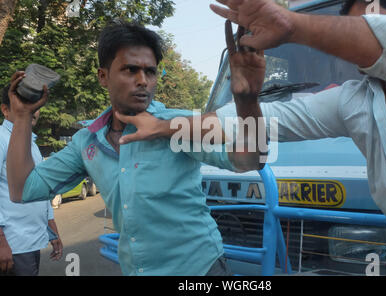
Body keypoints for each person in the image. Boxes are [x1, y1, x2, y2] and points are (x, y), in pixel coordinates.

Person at [116, 0, 386, 276]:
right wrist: (241, 100)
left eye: (359, 30)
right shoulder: (356, 101)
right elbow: (269, 121)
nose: (347, 49)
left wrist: (294, 26)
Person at [5, 20, 266, 276]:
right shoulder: (88, 141)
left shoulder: (177, 123)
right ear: (103, 76)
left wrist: (247, 99)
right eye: (130, 70)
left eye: (150, 71)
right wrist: (22, 117)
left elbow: (252, 159)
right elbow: (22, 189)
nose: (143, 80)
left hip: (201, 269)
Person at [0, 85, 63, 276]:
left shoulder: (31, 144)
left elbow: (39, 191)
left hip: (31, 242)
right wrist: (1, 242)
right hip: (13, 245)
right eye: (23, 103)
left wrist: (52, 230)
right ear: (5, 109)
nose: (32, 111)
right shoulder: (2, 139)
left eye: (35, 105)